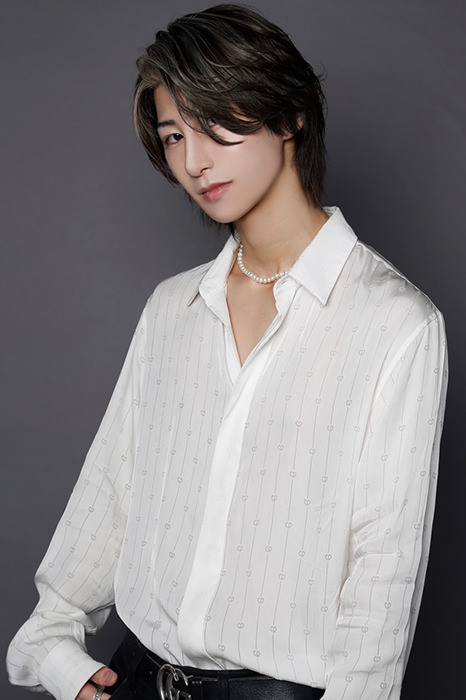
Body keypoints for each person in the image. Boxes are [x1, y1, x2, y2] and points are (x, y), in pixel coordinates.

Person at [7, 4, 448, 700]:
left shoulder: (396, 324)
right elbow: (113, 490)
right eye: (174, 135)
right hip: (138, 679)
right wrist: (54, 654)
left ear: (290, 115)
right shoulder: (171, 310)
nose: (193, 162)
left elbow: (383, 573)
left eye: (216, 123)